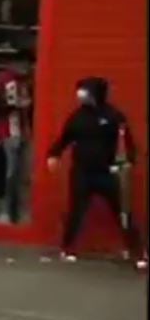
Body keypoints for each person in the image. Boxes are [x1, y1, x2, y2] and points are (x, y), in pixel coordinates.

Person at [47, 76, 145, 268]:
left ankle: (138, 252)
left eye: (86, 91)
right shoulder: (77, 117)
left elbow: (127, 143)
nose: (81, 94)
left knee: (122, 212)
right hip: (82, 172)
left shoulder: (114, 116)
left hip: (107, 173)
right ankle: (67, 248)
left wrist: (128, 162)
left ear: (96, 93)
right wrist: (54, 154)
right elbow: (65, 139)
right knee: (76, 210)